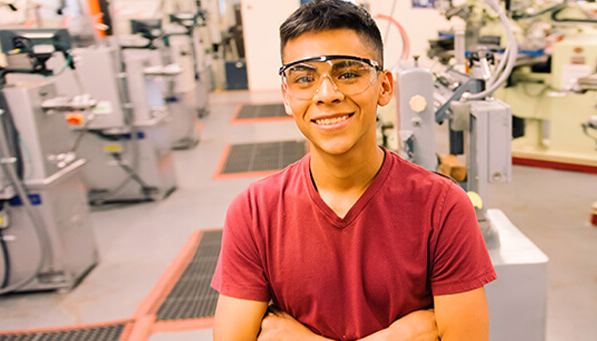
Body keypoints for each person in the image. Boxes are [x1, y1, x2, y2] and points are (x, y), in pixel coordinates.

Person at [211, 1, 496, 340]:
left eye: (348, 74)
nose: (327, 94)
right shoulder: (255, 211)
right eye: (304, 78)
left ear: (385, 87)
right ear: (287, 96)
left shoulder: (442, 206)